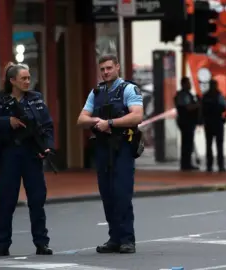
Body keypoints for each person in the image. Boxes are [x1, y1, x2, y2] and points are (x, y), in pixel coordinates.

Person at [0, 62, 54, 257]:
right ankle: (2, 244)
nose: (28, 82)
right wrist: (8, 121)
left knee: (37, 200)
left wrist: (47, 146)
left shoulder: (36, 99)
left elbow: (47, 125)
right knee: (6, 201)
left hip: (32, 154)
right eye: (24, 78)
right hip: (9, 154)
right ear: (12, 81)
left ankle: (41, 243)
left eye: (29, 78)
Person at [77, 54, 143, 254]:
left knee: (122, 194)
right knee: (107, 195)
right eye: (102, 69)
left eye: (109, 68)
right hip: (103, 148)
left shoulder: (128, 89)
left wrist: (111, 123)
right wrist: (97, 121)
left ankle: (127, 239)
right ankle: (114, 238)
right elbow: (81, 119)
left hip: (122, 147)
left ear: (117, 67)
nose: (105, 72)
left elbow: (137, 116)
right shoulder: (96, 92)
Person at [201, 79, 226, 172]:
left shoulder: (205, 96)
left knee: (209, 145)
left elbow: (202, 110)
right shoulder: (219, 95)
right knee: (218, 145)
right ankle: (220, 165)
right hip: (217, 122)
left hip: (209, 123)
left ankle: (210, 166)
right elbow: (225, 107)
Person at [174, 77, 201, 171]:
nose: (190, 85)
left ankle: (187, 163)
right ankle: (186, 164)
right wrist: (198, 104)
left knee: (188, 143)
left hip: (188, 121)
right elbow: (188, 108)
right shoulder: (183, 95)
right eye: (188, 83)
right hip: (186, 122)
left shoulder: (187, 94)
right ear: (184, 84)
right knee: (187, 143)